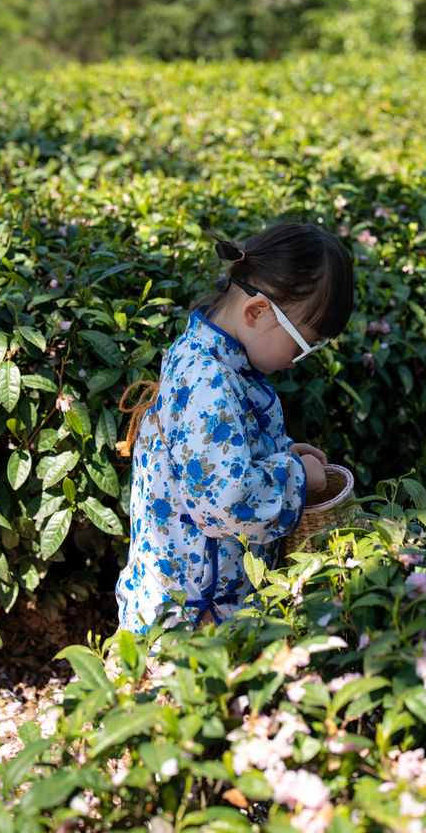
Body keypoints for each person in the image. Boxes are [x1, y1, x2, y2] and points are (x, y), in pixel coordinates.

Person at [115, 221, 354, 633]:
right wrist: (296, 477)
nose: (302, 359)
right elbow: (224, 500)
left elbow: (217, 455)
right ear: (257, 311)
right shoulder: (210, 380)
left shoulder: (211, 356)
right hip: (191, 617)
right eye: (302, 346)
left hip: (196, 597)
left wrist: (280, 456)